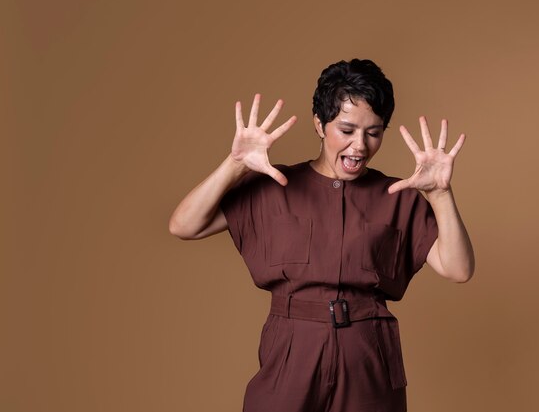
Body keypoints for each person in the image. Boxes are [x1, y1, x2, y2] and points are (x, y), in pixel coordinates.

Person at [169, 59, 474, 412]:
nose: (359, 145)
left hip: (368, 355)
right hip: (291, 349)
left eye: (373, 132)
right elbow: (183, 225)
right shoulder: (273, 187)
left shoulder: (398, 196)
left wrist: (439, 195)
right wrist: (234, 164)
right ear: (320, 123)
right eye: (346, 130)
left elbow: (458, 269)